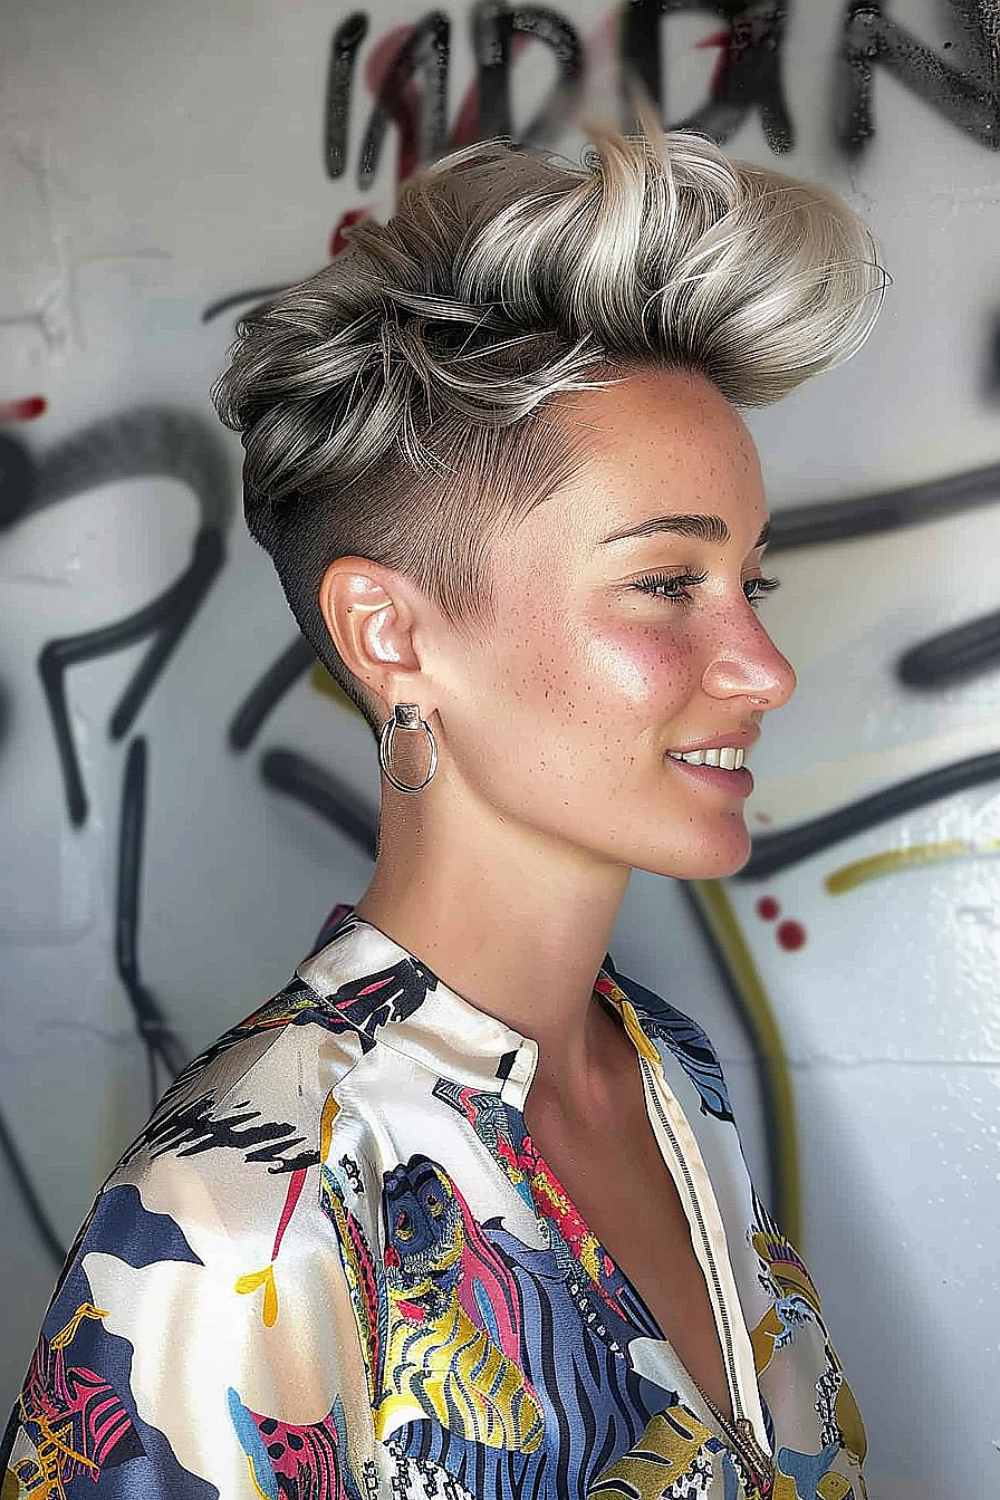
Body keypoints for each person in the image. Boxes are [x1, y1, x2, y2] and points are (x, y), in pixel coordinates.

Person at [1, 111, 886, 1500]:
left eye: (750, 585)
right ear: (393, 637)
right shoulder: (244, 1214)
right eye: (667, 585)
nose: (765, 669)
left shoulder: (672, 1080)